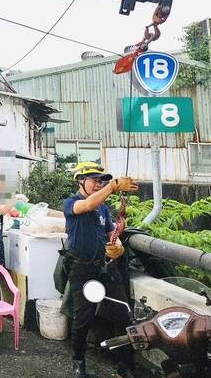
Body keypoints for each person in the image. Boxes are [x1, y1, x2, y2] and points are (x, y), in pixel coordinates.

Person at [63, 162, 138, 378]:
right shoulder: (71, 203)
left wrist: (117, 241)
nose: (98, 184)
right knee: (83, 318)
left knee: (124, 314)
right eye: (94, 180)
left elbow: (109, 233)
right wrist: (113, 186)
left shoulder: (103, 208)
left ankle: (125, 364)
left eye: (101, 181)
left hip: (105, 268)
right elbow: (87, 205)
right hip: (82, 269)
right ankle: (78, 363)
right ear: (80, 181)